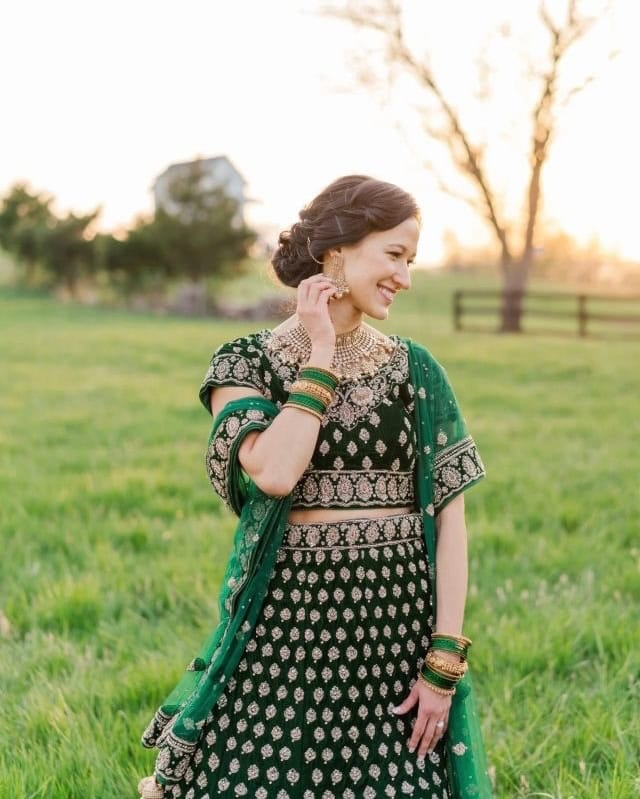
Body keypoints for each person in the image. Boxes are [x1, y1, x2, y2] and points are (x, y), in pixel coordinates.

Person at [138, 175, 490, 799]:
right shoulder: (244, 363)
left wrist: (442, 661)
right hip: (286, 633)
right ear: (337, 253)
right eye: (394, 255)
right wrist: (321, 353)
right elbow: (275, 472)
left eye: (411, 261)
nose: (404, 279)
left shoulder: (419, 371)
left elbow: (451, 522)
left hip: (394, 642)